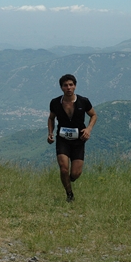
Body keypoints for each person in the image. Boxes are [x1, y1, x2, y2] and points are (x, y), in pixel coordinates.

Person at [47, 74, 97, 202]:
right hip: (62, 139)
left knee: (75, 173)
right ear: (61, 88)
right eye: (65, 85)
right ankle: (69, 195)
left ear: (75, 86)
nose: (68, 87)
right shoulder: (55, 102)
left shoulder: (83, 101)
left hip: (79, 141)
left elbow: (94, 115)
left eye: (71, 85)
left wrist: (88, 129)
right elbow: (51, 118)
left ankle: (69, 180)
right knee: (64, 168)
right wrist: (50, 133)